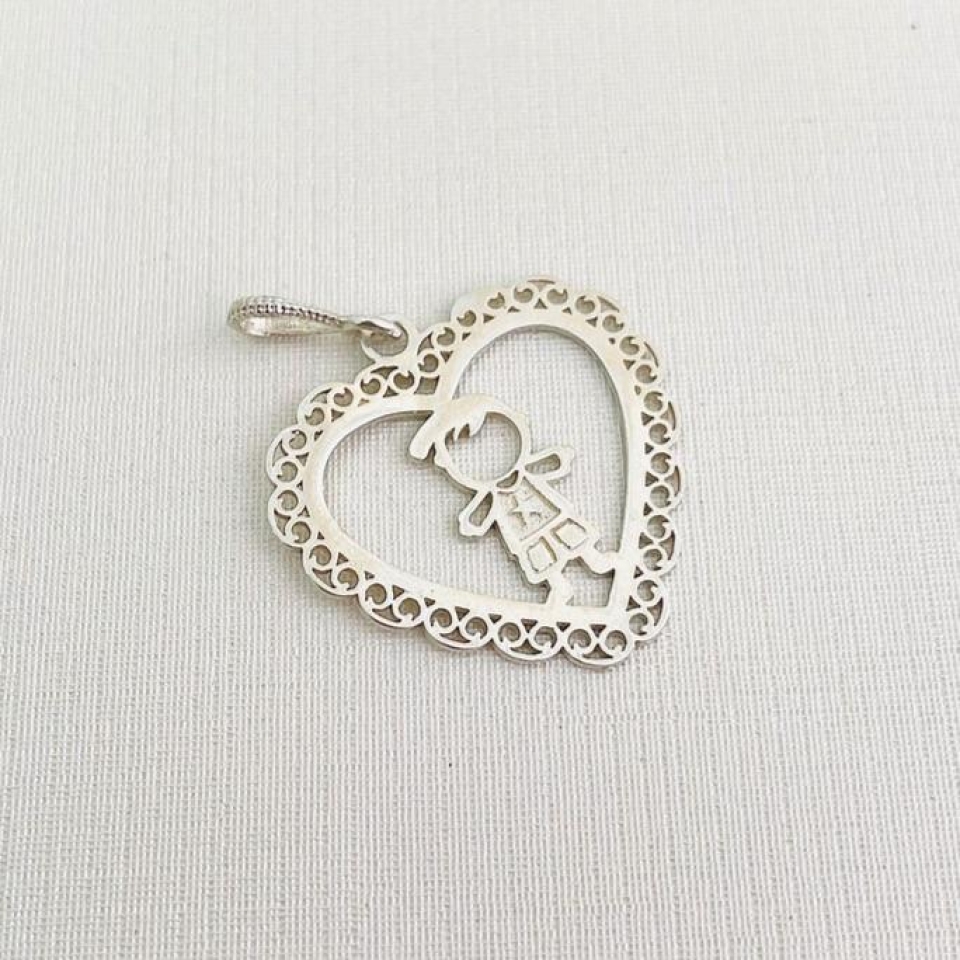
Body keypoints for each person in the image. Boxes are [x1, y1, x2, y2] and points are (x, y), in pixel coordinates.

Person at [409, 395, 616, 605]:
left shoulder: (525, 472)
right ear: (444, 463)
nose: (488, 453)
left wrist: (558, 459)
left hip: (550, 514)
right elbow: (479, 517)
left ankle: (596, 561)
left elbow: (549, 464)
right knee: (540, 557)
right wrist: (473, 523)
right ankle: (559, 586)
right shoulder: (490, 496)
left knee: (571, 535)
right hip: (523, 534)